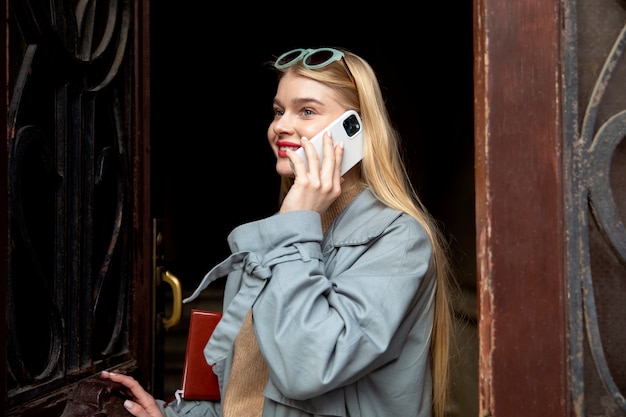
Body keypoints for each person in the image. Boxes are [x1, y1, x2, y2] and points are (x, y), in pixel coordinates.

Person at [102, 46, 455, 417]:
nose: (281, 126)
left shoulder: (398, 241)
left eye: (306, 111)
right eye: (278, 110)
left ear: (355, 129)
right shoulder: (280, 235)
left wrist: (294, 228)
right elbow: (244, 386)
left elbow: (306, 369)